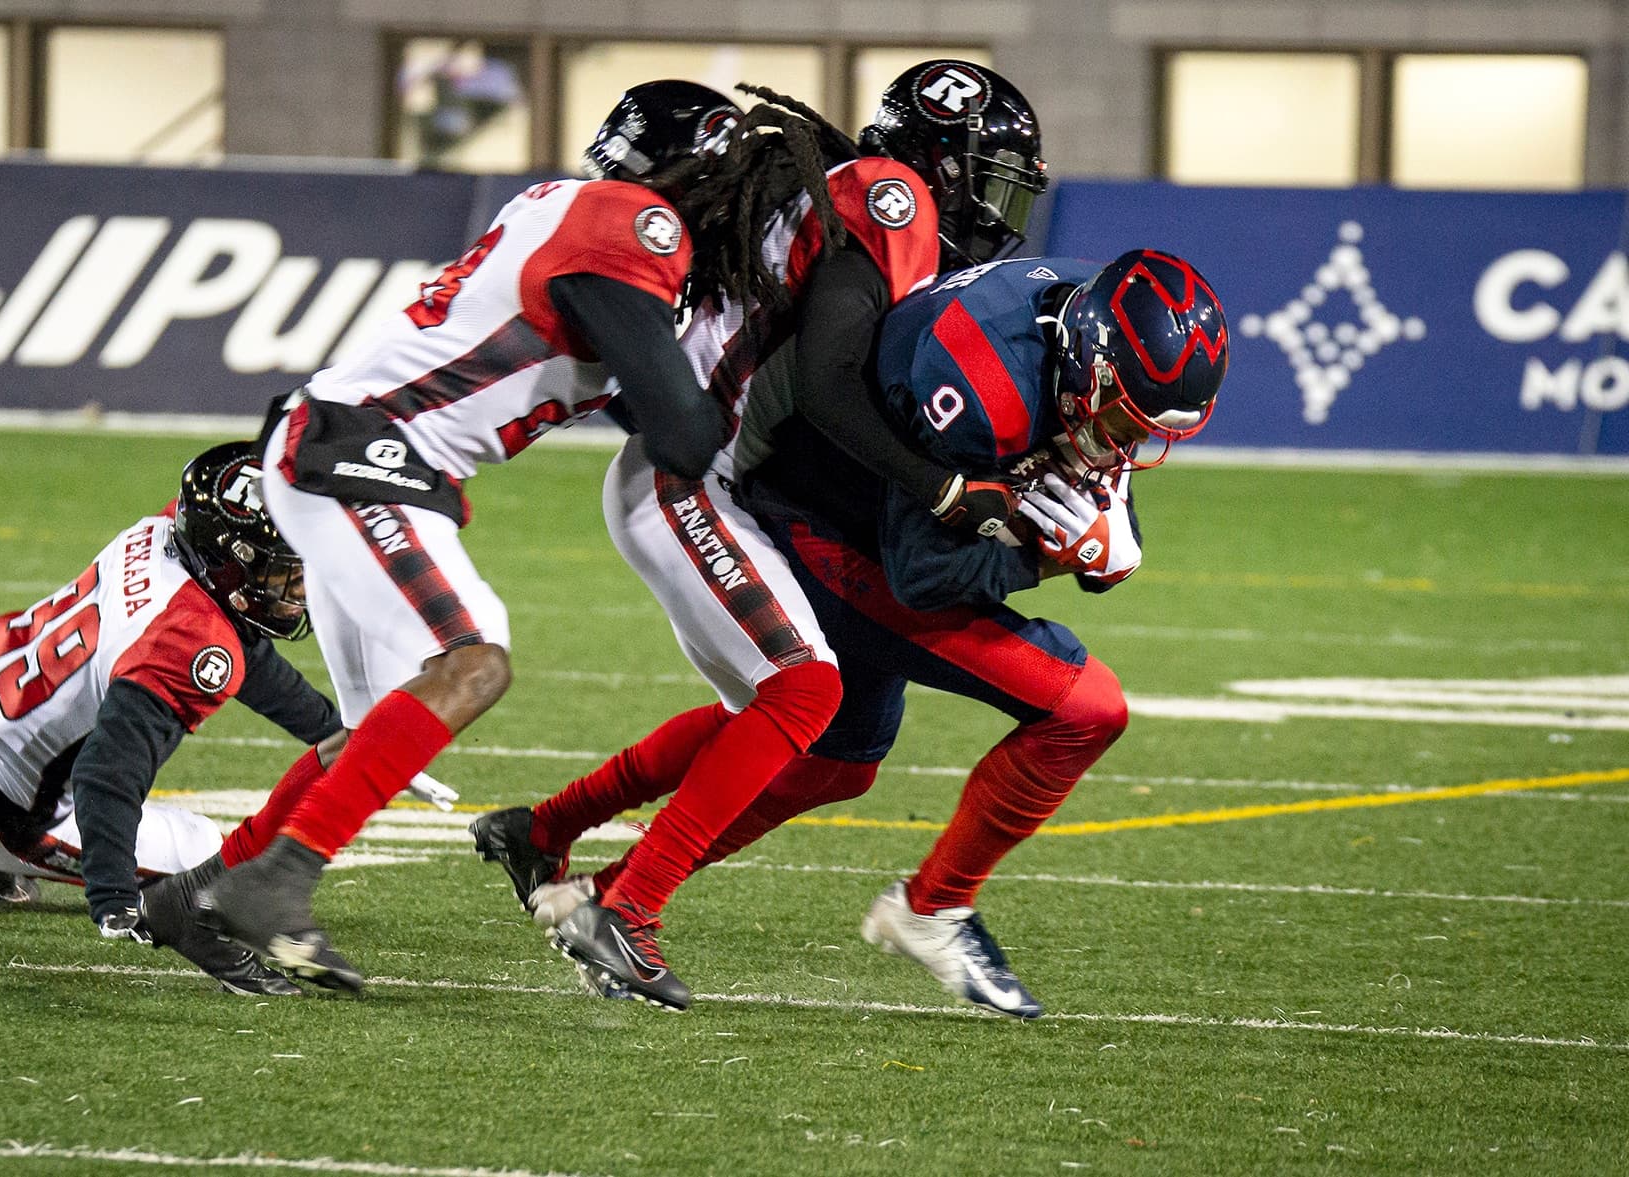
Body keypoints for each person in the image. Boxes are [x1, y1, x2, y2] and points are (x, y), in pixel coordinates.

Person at [190, 79, 797, 994]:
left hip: (342, 439)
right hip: (366, 451)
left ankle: (198, 893)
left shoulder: (559, 203)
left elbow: (614, 380)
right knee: (473, 664)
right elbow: (677, 431)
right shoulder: (639, 227)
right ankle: (279, 878)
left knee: (369, 728)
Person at [469, 65, 1046, 1010]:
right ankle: (628, 909)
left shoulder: (849, 199)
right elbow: (828, 380)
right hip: (692, 478)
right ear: (941, 158)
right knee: (806, 691)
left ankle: (546, 831)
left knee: (795, 727)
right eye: (990, 174)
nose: (997, 202)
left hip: (706, 476)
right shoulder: (891, 196)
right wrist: (945, 488)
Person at [529, 247, 1231, 1018]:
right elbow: (923, 577)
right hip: (829, 527)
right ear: (1089, 365)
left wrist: (1107, 546)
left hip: (861, 518)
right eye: (1123, 416)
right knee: (1083, 708)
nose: (1124, 441)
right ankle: (933, 906)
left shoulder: (1082, 326)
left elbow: (1089, 471)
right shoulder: (983, 379)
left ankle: (579, 862)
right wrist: (1051, 559)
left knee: (838, 760)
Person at [0, 442, 447, 995]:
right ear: (231, 560)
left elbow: (243, 653)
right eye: (285, 569)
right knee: (207, 859)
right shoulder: (188, 642)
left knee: (4, 676)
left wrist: (347, 734)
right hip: (3, 809)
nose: (300, 587)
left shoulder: (164, 533)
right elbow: (105, 776)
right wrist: (114, 899)